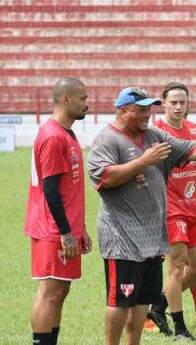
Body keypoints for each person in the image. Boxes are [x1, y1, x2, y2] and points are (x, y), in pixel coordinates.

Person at [87, 86, 196, 344]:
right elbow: (103, 177)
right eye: (141, 109)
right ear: (123, 110)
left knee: (142, 304)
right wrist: (142, 161)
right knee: (120, 303)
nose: (147, 115)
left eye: (149, 109)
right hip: (122, 239)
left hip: (153, 237)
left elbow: (190, 149)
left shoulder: (154, 135)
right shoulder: (107, 139)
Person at [146, 82, 196, 340]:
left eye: (183, 102)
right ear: (164, 103)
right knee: (177, 267)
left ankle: (158, 307)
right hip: (170, 209)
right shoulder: (155, 130)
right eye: (173, 102)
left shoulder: (192, 128)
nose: (179, 107)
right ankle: (180, 328)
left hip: (192, 206)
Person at [24, 77, 92, 345]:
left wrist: (79, 228)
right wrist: (65, 232)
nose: (87, 103)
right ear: (66, 99)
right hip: (52, 229)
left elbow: (68, 187)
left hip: (66, 228)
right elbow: (50, 189)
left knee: (60, 291)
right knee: (50, 291)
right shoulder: (53, 136)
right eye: (83, 99)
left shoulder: (67, 133)